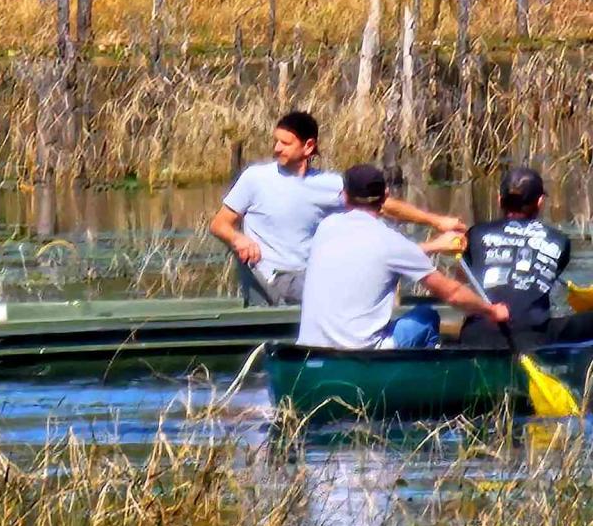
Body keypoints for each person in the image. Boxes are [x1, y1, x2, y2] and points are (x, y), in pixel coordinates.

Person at [209, 111, 467, 306]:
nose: (277, 148)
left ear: (308, 146)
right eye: (276, 142)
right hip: (270, 278)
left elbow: (383, 204)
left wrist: (437, 222)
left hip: (309, 277)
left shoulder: (328, 184)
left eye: (285, 143)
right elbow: (219, 224)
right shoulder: (255, 178)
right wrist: (238, 238)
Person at [297, 164, 508, 349]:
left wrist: (434, 246)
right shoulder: (392, 242)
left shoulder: (325, 227)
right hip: (363, 353)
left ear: (344, 195)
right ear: (386, 195)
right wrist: (491, 311)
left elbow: (374, 255)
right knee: (426, 316)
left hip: (310, 349)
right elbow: (452, 293)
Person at [459, 167, 593, 348]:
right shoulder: (559, 240)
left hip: (475, 334)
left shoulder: (475, 233)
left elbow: (464, 275)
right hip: (532, 336)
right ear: (540, 202)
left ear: (499, 200)